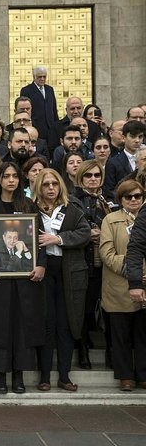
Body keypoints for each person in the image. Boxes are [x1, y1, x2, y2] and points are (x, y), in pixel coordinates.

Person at [0, 162, 45, 394]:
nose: (11, 180)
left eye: (15, 176)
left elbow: (39, 239)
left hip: (25, 279)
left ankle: (19, 376)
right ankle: (0, 377)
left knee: (22, 326)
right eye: (6, 176)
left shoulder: (28, 205)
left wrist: (41, 265)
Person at [33, 168, 91, 392]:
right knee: (47, 324)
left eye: (54, 184)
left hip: (69, 272)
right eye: (46, 184)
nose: (50, 188)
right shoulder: (31, 210)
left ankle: (64, 376)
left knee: (66, 325)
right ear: (39, 186)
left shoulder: (72, 208)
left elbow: (84, 234)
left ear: (60, 186)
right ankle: (45, 376)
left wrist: (58, 238)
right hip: (43, 272)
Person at [100, 180, 145, 391]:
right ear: (121, 200)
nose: (134, 200)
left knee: (143, 334)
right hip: (119, 285)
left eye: (138, 196)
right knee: (121, 335)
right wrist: (135, 270)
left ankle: (143, 374)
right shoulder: (110, 220)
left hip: (144, 284)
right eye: (129, 197)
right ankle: (125, 376)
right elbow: (106, 254)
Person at [74, 159, 115, 369]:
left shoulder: (110, 199)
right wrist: (86, 234)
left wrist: (105, 233)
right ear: (81, 177)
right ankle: (82, 352)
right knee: (84, 309)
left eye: (96, 175)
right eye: (88, 175)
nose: (92, 179)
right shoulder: (73, 200)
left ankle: (111, 352)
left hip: (108, 263)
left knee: (109, 309)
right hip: (84, 260)